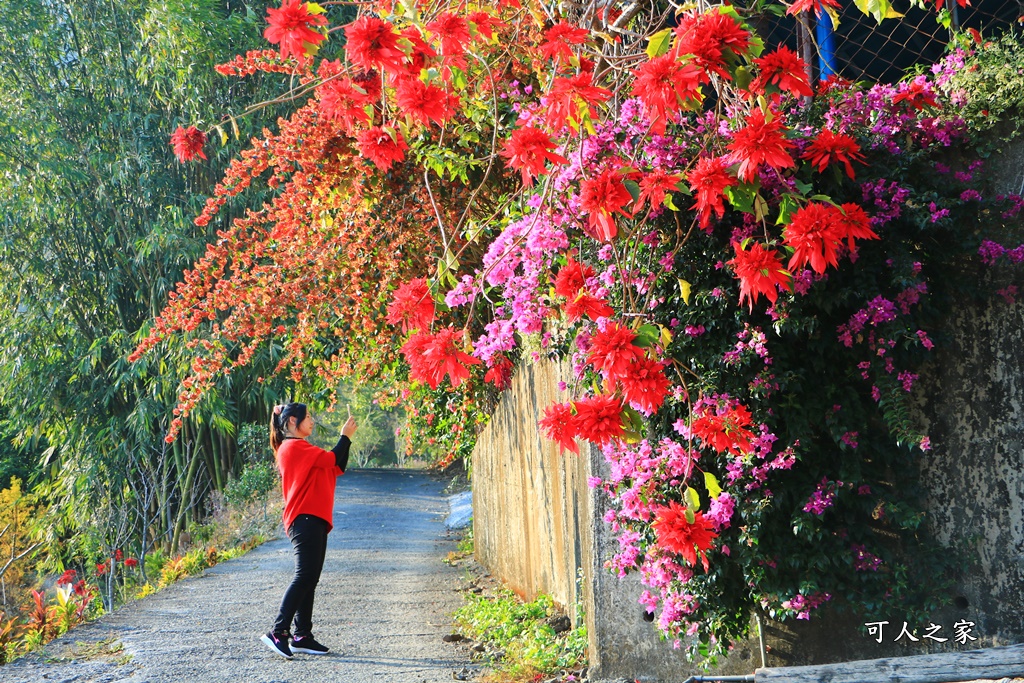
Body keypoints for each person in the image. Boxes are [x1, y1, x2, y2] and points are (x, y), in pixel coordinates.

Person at [261, 402, 357, 659]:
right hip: (304, 518)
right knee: (304, 576)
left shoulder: (301, 448)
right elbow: (333, 458)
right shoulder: (293, 447)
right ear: (293, 421)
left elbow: (337, 466)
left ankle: (302, 635)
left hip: (312, 518)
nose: (313, 421)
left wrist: (345, 440)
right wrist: (344, 436)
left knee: (310, 579)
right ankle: (278, 632)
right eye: (309, 417)